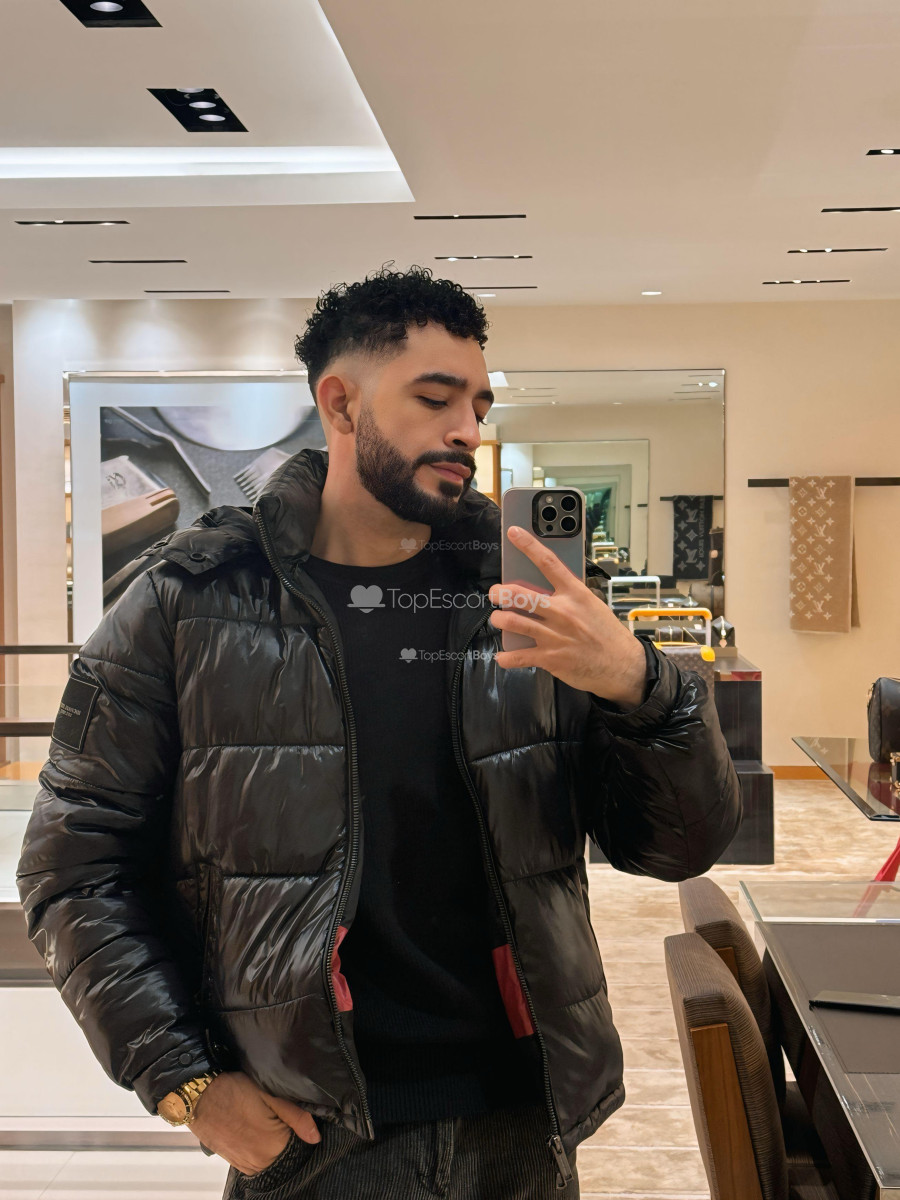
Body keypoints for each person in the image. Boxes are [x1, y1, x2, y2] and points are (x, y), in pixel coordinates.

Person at [17, 266, 742, 1200]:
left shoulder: (533, 603)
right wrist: (183, 1080)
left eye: (478, 405)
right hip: (314, 1138)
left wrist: (643, 688)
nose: (467, 430)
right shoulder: (189, 603)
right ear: (341, 403)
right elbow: (75, 868)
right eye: (435, 400)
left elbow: (675, 849)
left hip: (522, 1125)